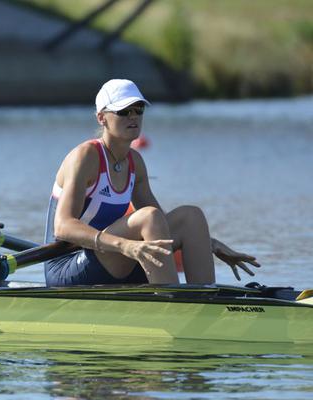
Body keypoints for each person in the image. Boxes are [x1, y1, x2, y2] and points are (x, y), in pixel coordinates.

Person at [44, 79, 260, 286]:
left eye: (139, 110)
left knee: (190, 217)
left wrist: (207, 244)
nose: (133, 117)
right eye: (123, 111)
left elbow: (162, 226)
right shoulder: (85, 157)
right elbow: (63, 227)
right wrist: (125, 245)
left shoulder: (135, 162)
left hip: (115, 257)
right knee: (148, 217)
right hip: (68, 265)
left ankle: (206, 301)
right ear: (102, 118)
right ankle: (172, 304)